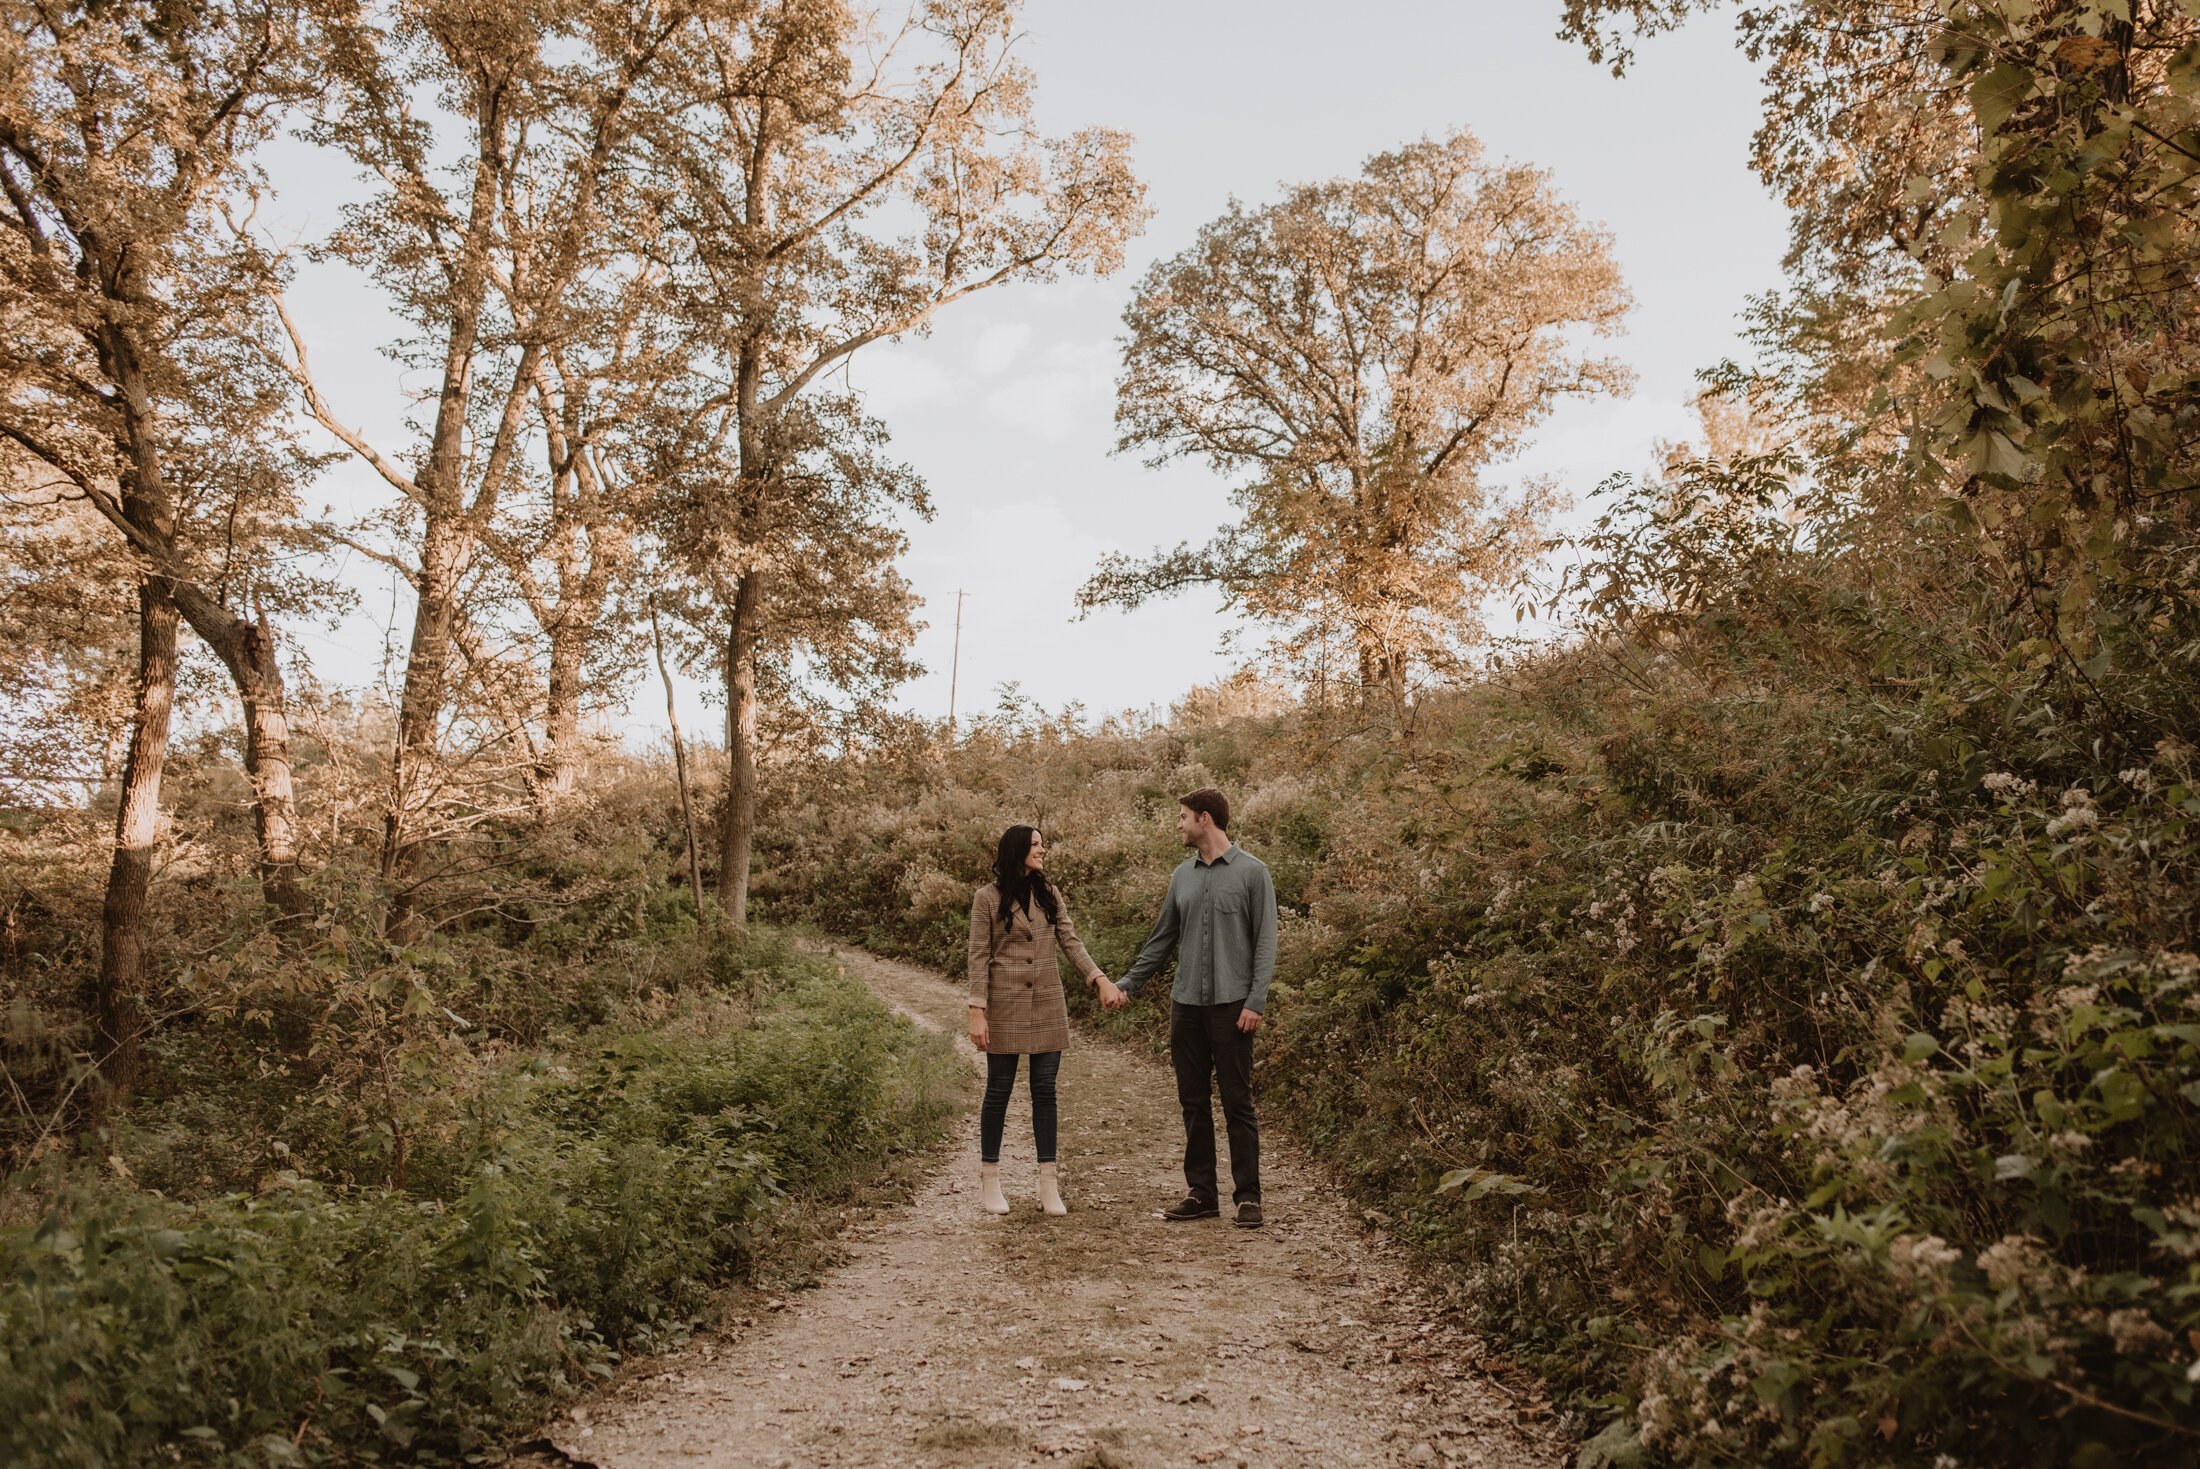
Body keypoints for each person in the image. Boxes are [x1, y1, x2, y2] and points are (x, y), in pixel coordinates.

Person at [1103, 786, 1276, 1227]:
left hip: (1233, 1007)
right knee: (1193, 1102)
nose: (1177, 824)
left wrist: (1255, 1000)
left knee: (1238, 1104)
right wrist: (1127, 985)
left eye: (1182, 817)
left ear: (1204, 818)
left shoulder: (1254, 874)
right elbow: (1161, 941)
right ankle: (1202, 1194)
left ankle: (1248, 1198)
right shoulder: (1181, 876)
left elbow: (1265, 945)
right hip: (1187, 1007)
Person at [967, 824, 1123, 1215]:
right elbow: (978, 957)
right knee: (998, 1090)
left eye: (1042, 844)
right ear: (1017, 850)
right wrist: (977, 1011)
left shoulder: (1050, 894)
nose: (1042, 850)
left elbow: (1070, 941)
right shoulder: (986, 898)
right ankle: (990, 1180)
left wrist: (1099, 980)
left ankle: (1048, 1184)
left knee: (1045, 1091)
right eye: (1035, 845)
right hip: (1003, 1008)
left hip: (1048, 1005)